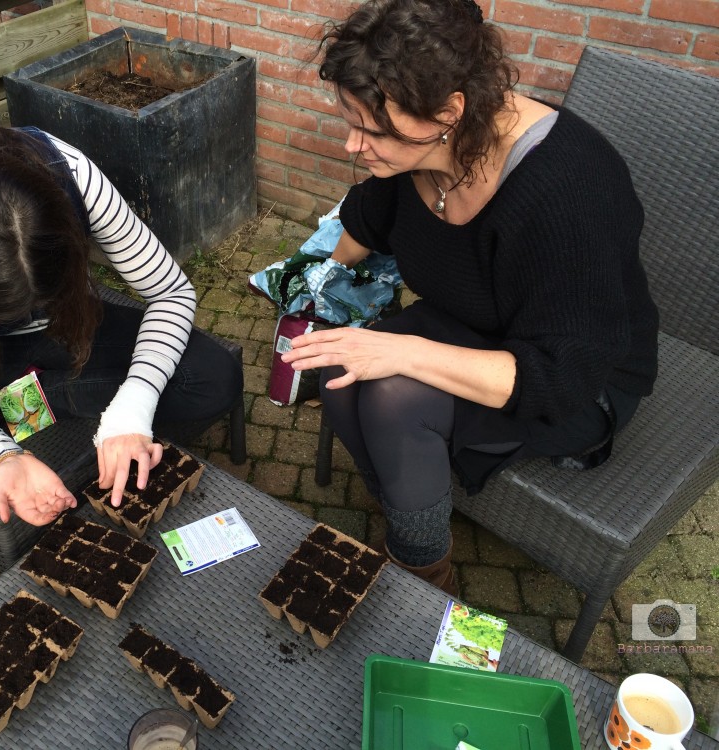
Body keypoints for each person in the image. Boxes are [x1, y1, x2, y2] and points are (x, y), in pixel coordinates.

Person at [281, 0, 658, 595]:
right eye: (350, 122)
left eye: (372, 130)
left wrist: (400, 353)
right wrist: (309, 281)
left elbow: (561, 377)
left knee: (393, 397)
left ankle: (424, 575)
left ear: (448, 112)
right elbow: (366, 220)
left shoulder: (568, 191)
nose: (354, 145)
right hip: (473, 323)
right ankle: (409, 497)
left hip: (576, 377)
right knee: (338, 367)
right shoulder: (414, 158)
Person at [0, 124, 243, 544]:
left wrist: (132, 408)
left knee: (214, 378)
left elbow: (171, 292)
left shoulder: (75, 176)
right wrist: (1, 456)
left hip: (62, 328)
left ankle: (16, 403)